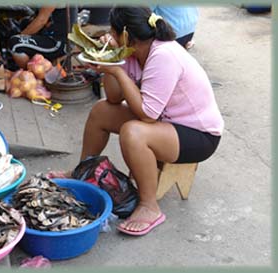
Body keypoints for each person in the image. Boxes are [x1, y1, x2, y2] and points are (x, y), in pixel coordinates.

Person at [48, 6, 224, 236]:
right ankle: (83, 171)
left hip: (199, 135)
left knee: (134, 132)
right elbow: (113, 98)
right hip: (166, 121)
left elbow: (147, 115)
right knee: (102, 111)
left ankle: (149, 206)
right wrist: (110, 62)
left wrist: (119, 73)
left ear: (127, 35)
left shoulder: (163, 55)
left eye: (113, 31)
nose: (108, 35)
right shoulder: (133, 51)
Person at [8, 6, 77, 69]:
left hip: (59, 43)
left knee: (15, 43)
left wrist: (20, 36)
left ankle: (32, 76)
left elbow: (41, 21)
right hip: (53, 35)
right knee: (25, 23)